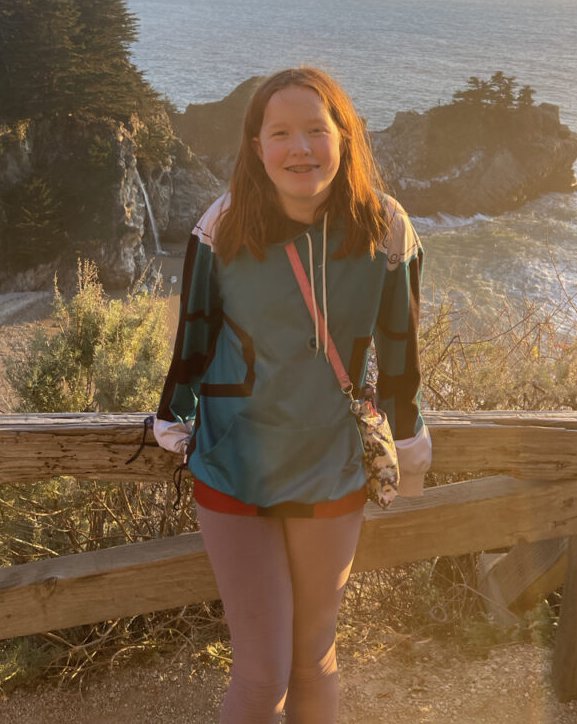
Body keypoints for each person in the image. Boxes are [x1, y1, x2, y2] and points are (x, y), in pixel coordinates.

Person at [153, 67, 432, 724]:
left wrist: (411, 432)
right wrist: (174, 413)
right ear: (256, 146)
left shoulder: (387, 230)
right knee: (262, 674)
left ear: (345, 136)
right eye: (280, 133)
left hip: (331, 467)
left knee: (313, 658)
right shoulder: (220, 228)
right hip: (233, 465)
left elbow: (400, 349)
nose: (300, 149)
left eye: (316, 129)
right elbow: (192, 337)